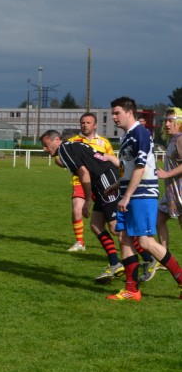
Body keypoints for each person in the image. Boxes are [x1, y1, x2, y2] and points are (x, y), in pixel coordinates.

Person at [107, 96, 182, 301]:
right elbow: (128, 168)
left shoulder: (140, 133)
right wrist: (117, 186)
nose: (113, 117)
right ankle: (132, 289)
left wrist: (128, 195)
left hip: (141, 194)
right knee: (123, 237)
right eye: (112, 113)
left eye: (117, 113)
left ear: (130, 112)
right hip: (129, 193)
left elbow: (141, 166)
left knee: (145, 242)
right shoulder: (126, 137)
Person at [40, 130, 123, 284]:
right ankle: (114, 263)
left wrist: (87, 200)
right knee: (96, 225)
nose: (45, 149)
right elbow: (99, 158)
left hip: (105, 180)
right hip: (102, 180)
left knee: (115, 227)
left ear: (57, 140)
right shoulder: (72, 145)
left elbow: (84, 173)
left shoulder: (63, 150)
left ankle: (147, 255)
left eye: (46, 145)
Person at [64, 113, 115, 253]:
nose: (85, 125)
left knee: (111, 224)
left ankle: (131, 244)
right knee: (76, 211)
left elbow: (112, 161)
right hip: (80, 181)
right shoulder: (74, 141)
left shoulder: (104, 142)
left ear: (95, 125)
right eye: (83, 123)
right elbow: (61, 158)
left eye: (88, 122)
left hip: (100, 183)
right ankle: (80, 242)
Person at [147, 107, 182, 282]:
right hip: (170, 192)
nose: (167, 124)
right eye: (165, 121)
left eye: (171, 121)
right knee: (159, 220)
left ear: (179, 122)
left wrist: (166, 174)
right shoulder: (172, 140)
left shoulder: (180, 139)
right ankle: (163, 256)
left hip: (180, 192)